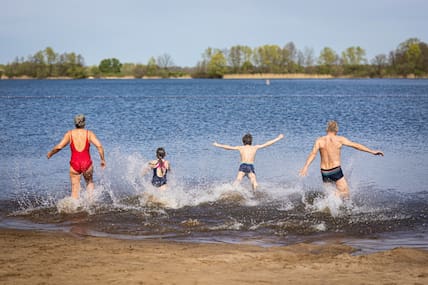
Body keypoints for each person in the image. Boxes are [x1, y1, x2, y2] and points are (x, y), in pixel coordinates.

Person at [299, 120, 383, 199]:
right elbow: (355, 145)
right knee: (345, 193)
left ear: (327, 129)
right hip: (335, 170)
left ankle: (328, 204)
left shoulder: (319, 140)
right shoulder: (339, 139)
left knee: (328, 193)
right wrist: (372, 151)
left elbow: (313, 154)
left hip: (324, 172)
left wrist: (305, 167)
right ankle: (336, 198)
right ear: (336, 130)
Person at [47, 114, 106, 199]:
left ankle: (74, 208)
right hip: (87, 163)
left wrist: (50, 153)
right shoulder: (89, 133)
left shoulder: (69, 134)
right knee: (89, 182)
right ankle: (91, 203)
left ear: (75, 123)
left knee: (75, 189)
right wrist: (102, 159)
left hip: (74, 164)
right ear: (84, 123)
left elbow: (59, 146)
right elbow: (99, 146)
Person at [213, 133, 284, 191]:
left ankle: (232, 190)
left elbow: (228, 147)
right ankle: (255, 192)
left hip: (243, 166)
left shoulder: (240, 147)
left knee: (238, 179)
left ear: (243, 141)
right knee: (253, 180)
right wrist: (278, 138)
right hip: (250, 166)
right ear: (251, 141)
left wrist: (217, 145)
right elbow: (267, 144)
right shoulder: (255, 147)